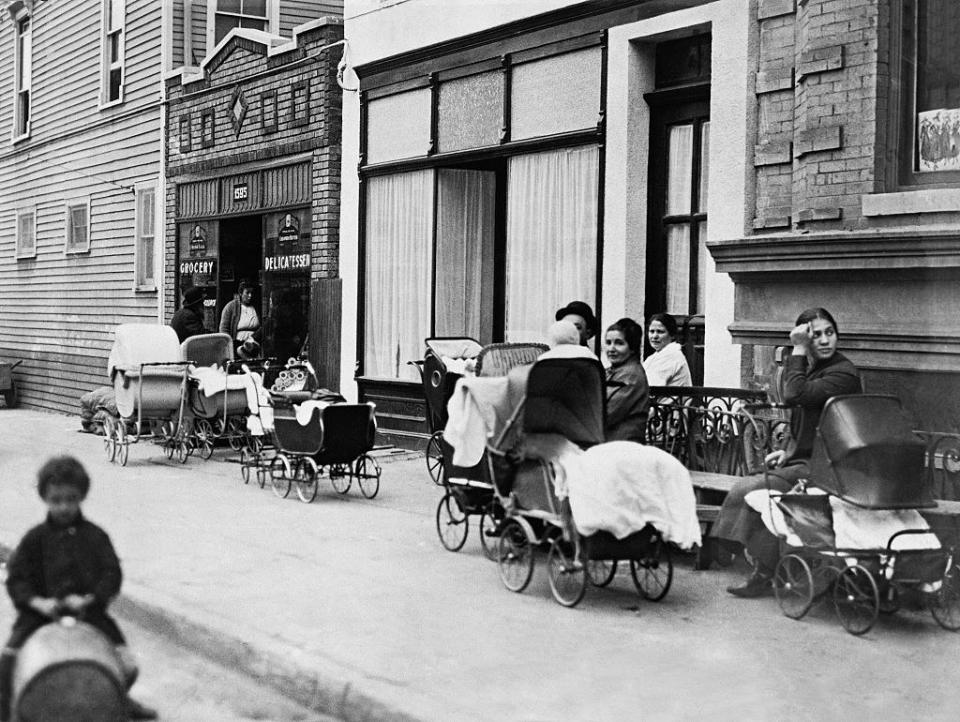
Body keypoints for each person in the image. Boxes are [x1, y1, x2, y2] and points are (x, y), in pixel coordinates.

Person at [713, 307, 862, 597]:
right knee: (754, 485)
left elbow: (796, 395)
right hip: (808, 459)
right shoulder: (817, 369)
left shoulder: (843, 373)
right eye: (815, 335)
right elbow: (808, 420)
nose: (824, 340)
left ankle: (744, 559)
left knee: (753, 488)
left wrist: (796, 348)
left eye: (829, 333)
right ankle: (761, 566)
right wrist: (785, 450)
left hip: (829, 468)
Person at [0, 456, 157, 721]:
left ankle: (119, 699)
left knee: (127, 665)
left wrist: (89, 599)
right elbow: (16, 578)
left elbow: (111, 574)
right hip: (40, 615)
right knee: (7, 663)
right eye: (56, 500)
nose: (63, 506)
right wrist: (37, 602)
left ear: (81, 496)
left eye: (71, 499)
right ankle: (7, 713)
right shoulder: (34, 538)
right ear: (45, 498)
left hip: (89, 613)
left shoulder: (95, 536)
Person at [603, 317, 649, 442]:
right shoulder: (612, 371)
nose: (611, 349)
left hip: (622, 447)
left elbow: (606, 414)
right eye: (608, 343)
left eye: (619, 343)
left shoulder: (631, 375)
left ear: (632, 347)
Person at [642, 312, 692, 387]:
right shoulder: (655, 357)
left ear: (672, 335)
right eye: (652, 331)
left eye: (660, 332)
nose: (655, 336)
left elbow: (650, 388)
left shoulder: (671, 356)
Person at [219, 279, 262, 359]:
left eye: (252, 293)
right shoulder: (231, 307)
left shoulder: (257, 307)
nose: (250, 296)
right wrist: (229, 346)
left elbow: (263, 327)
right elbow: (224, 329)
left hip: (254, 347)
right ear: (241, 293)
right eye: (247, 293)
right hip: (236, 347)